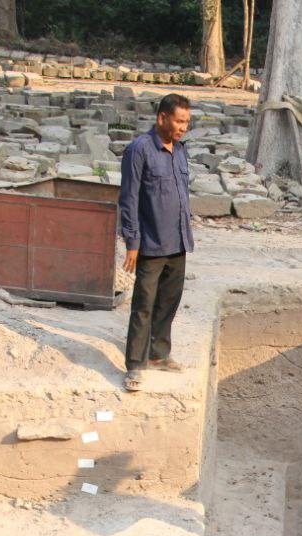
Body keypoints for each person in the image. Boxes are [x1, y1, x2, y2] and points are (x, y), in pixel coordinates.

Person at [118, 93, 195, 393]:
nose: (183, 127)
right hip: (150, 243)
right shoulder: (139, 150)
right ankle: (135, 365)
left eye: (186, 122)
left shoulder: (180, 151)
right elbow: (129, 198)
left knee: (168, 302)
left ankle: (159, 354)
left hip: (178, 241)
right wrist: (132, 243)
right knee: (143, 306)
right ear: (162, 118)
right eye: (178, 121)